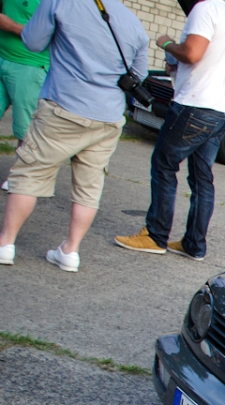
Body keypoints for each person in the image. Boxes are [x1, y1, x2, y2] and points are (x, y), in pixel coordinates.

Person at [0, 0, 148, 272]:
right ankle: (70, 251)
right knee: (89, 187)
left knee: (29, 174)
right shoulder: (134, 24)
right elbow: (138, 74)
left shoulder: (61, 2)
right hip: (108, 117)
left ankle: (5, 244)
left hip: (63, 106)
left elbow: (33, 42)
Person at [115, 0, 225, 261]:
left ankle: (155, 235)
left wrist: (167, 43)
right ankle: (194, 244)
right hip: (220, 109)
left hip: (194, 105)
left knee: (164, 164)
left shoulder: (204, 9)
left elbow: (192, 53)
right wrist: (181, 65)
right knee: (202, 178)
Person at [0, 0, 50, 156]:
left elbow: (56, 35)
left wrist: (12, 26)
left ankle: (21, 172)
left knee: (26, 131)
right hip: (2, 55)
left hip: (30, 66)